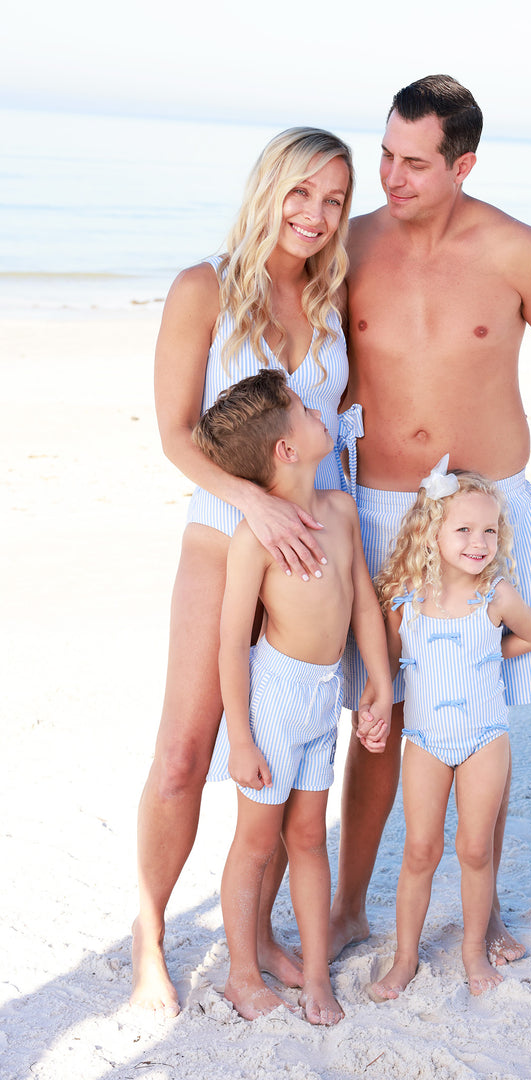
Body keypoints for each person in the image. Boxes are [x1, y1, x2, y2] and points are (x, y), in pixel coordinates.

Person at [329, 75, 531, 963]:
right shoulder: (350, 243)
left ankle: (485, 912)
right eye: (385, 154)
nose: (391, 176)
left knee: (480, 709)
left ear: (464, 165)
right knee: (383, 709)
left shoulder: (515, 250)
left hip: (490, 512)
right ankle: (349, 908)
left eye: (415, 162)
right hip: (380, 510)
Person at [131, 127, 359, 1017]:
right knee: (185, 754)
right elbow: (174, 434)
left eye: (334, 200)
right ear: (268, 189)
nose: (315, 214)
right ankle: (150, 934)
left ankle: (256, 936)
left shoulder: (335, 298)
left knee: (280, 762)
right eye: (301, 192)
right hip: (221, 539)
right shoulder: (204, 287)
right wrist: (251, 501)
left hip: (308, 561)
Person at [192, 369, 392, 1023]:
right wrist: (241, 740)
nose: (317, 411)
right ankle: (241, 975)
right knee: (256, 842)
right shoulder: (254, 540)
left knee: (308, 838)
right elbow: (232, 644)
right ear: (286, 449)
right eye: (306, 409)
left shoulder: (338, 511)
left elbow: (361, 600)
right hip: (275, 700)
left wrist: (380, 679)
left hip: (323, 697)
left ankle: (315, 978)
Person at [367, 461, 531, 1001]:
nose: (479, 542)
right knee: (421, 849)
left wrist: (488, 656)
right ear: (432, 532)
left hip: (484, 738)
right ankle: (405, 958)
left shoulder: (496, 594)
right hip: (425, 742)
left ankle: (473, 950)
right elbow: (388, 666)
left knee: (474, 849)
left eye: (489, 530)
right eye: (464, 529)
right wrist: (374, 706)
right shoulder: (405, 598)